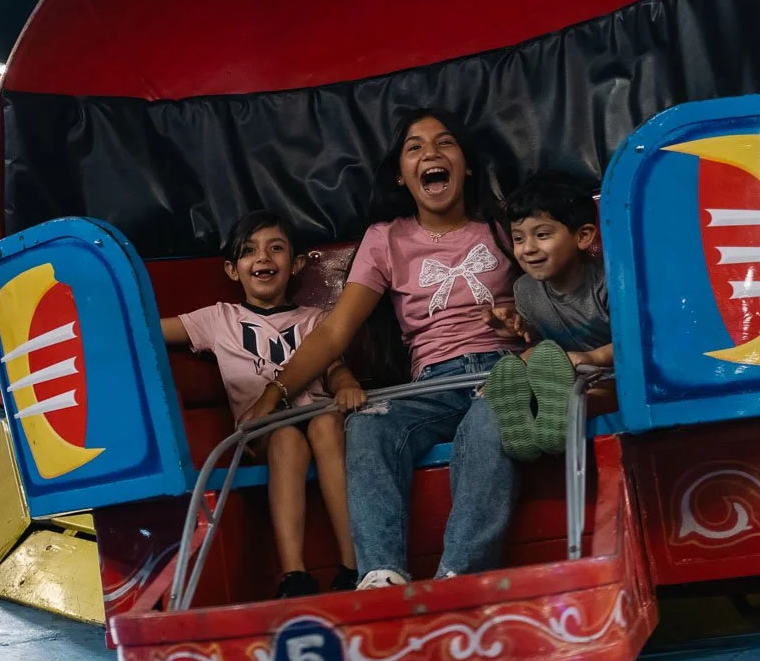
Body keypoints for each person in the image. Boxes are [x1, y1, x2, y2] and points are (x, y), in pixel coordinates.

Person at [239, 110, 522, 589]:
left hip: (505, 372)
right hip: (434, 381)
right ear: (400, 174)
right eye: (415, 147)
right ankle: (381, 575)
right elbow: (333, 333)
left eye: (444, 143)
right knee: (368, 425)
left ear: (467, 165)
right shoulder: (385, 238)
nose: (431, 153)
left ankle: (459, 578)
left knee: (491, 418)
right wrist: (274, 394)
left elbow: (551, 288)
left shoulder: (500, 227)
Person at [162, 210, 365, 597]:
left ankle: (353, 567)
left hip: (320, 420)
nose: (263, 258)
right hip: (264, 432)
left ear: (298, 263)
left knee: (325, 425)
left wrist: (347, 384)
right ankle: (295, 575)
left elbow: (335, 368)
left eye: (276, 249)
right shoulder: (219, 318)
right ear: (232, 269)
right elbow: (150, 328)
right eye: (249, 251)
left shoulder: (316, 319)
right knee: (288, 438)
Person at [489, 172, 614, 370]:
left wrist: (593, 357)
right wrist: (518, 328)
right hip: (572, 379)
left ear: (583, 236)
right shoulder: (525, 290)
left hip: (622, 378)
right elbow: (541, 340)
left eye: (542, 234)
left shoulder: (609, 283)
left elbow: (639, 340)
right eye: (518, 238)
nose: (528, 248)